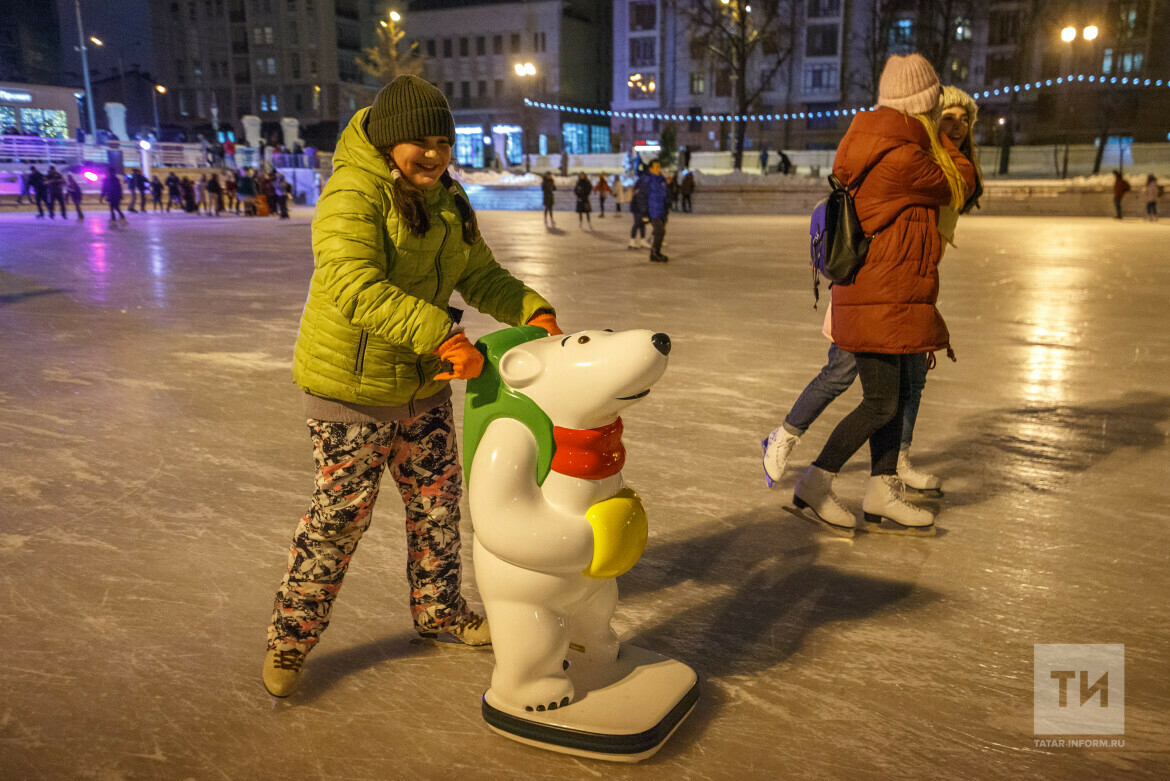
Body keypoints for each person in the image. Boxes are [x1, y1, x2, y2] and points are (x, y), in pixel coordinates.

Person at [261, 75, 563, 698]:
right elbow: (353, 284)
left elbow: (479, 275)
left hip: (421, 389)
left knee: (438, 511)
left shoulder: (448, 198)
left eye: (442, 142)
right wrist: (441, 336)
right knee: (339, 518)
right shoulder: (352, 194)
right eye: (419, 143)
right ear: (390, 141)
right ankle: (290, 641)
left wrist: (532, 309)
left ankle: (440, 612)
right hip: (351, 393)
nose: (433, 154)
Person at [779, 53, 974, 535]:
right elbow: (960, 184)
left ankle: (882, 488)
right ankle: (817, 480)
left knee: (899, 392)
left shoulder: (885, 139)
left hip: (890, 291)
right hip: (880, 294)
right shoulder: (905, 155)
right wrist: (949, 137)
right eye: (934, 109)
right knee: (882, 403)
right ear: (922, 105)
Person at [637, 159, 670, 262]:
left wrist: (667, 206)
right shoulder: (646, 180)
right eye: (656, 167)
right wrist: (644, 213)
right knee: (660, 231)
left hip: (661, 211)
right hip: (652, 211)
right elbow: (641, 197)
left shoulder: (661, 180)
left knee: (659, 232)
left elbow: (665, 195)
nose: (658, 169)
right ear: (651, 168)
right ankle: (655, 253)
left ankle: (655, 253)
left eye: (659, 167)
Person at [627, 168, 649, 249]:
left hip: (640, 206)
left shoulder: (642, 181)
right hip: (638, 207)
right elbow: (640, 197)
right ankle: (632, 241)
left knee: (642, 223)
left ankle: (642, 240)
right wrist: (644, 209)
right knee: (637, 223)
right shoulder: (643, 182)